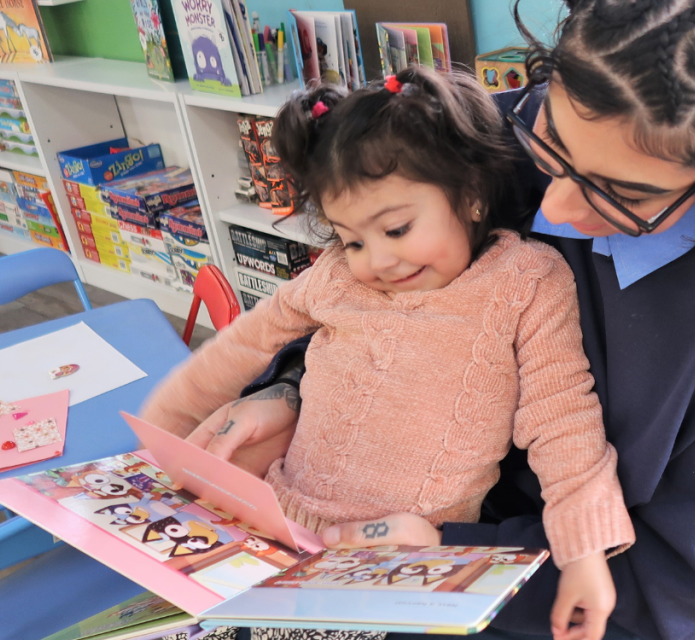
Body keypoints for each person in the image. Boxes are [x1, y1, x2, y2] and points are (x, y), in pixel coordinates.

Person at [180, 1, 695, 639]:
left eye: (623, 194)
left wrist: (449, 558)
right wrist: (293, 390)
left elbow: (682, 592)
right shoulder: (480, 145)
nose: (556, 209)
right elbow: (359, 288)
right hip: (379, 519)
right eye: (553, 145)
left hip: (556, 594)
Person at [141, 66, 636, 640]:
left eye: (396, 229)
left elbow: (563, 417)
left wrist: (584, 554)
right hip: (275, 521)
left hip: (402, 566)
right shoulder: (335, 278)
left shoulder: (527, 282)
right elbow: (240, 347)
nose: (375, 260)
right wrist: (158, 442)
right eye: (352, 239)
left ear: (471, 197)